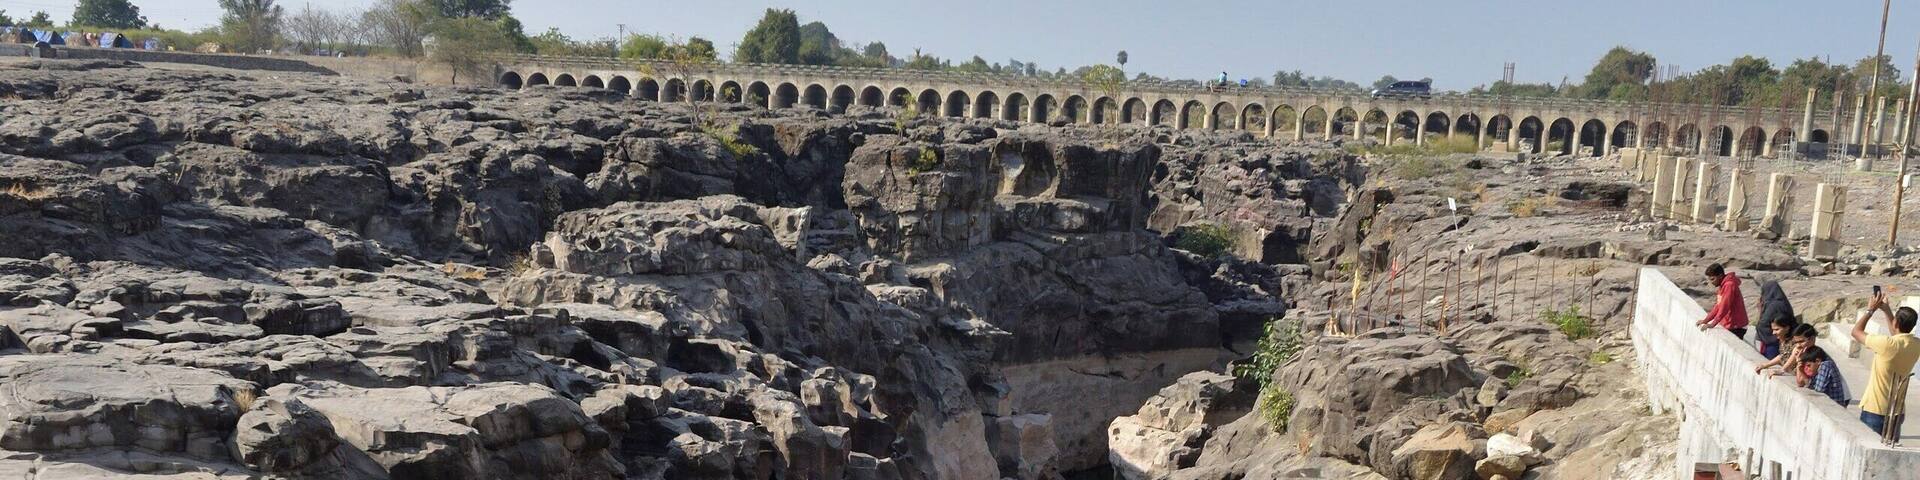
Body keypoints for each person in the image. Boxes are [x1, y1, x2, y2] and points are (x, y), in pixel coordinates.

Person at [1850, 290, 1920, 437]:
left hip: (1875, 410)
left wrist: (1871, 310)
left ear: (1896, 322)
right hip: (1897, 411)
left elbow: (1856, 332)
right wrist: (1887, 311)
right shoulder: (1915, 344)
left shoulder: (1886, 344)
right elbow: (1898, 334)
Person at [1695, 264, 1748, 339]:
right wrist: (1705, 321)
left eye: (1713, 279)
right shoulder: (1723, 285)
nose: (1711, 282)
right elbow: (1718, 306)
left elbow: (1724, 307)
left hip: (1736, 326)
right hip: (1731, 324)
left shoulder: (1729, 285)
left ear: (1720, 276)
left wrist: (1713, 324)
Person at [1754, 280, 1795, 358]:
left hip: (1772, 342)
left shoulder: (1773, 305)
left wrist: (1760, 311)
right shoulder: (1783, 302)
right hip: (1783, 337)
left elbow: (1762, 325)